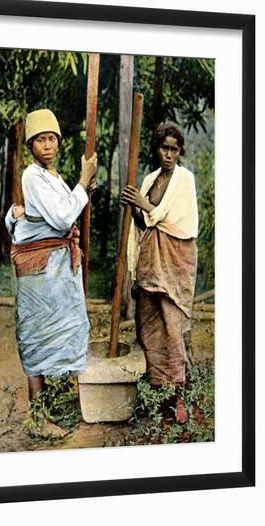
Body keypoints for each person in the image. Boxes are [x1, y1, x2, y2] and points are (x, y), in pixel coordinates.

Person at [5, 108, 97, 437]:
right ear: (31, 145)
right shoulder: (32, 176)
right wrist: (83, 183)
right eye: (40, 140)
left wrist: (81, 191)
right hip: (41, 270)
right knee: (38, 338)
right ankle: (36, 419)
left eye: (52, 139)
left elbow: (61, 212)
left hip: (57, 268)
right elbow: (61, 218)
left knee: (64, 331)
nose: (47, 145)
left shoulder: (53, 178)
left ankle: (52, 404)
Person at [121, 123, 198, 424]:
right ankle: (156, 390)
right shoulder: (151, 178)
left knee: (171, 325)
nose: (169, 154)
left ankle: (177, 394)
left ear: (180, 152)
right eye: (164, 147)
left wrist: (143, 205)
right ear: (157, 148)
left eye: (174, 149)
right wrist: (135, 207)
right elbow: (145, 223)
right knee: (148, 324)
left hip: (174, 261)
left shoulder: (185, 180)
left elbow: (178, 223)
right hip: (150, 260)